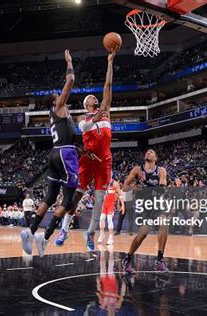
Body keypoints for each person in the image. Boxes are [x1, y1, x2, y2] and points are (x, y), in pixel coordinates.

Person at [20, 50, 82, 257]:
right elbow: (71, 79)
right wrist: (69, 62)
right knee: (68, 199)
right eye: (58, 95)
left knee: (49, 196)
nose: (60, 94)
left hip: (55, 153)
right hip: (66, 154)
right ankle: (45, 236)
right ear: (54, 101)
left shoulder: (53, 115)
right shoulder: (59, 107)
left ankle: (30, 232)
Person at [56, 47, 118, 251]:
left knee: (99, 199)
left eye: (95, 97)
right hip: (88, 160)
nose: (95, 98)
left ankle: (90, 233)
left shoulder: (105, 111)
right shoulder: (83, 118)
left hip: (105, 160)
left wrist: (110, 61)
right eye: (91, 97)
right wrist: (94, 122)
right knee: (76, 196)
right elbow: (81, 132)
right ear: (86, 104)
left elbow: (108, 85)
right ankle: (64, 229)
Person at [121, 149, 169, 273]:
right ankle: (128, 258)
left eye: (151, 152)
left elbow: (162, 189)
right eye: (147, 151)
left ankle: (159, 260)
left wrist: (145, 182)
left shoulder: (161, 170)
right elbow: (125, 187)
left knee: (164, 224)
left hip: (157, 204)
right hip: (144, 206)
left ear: (156, 158)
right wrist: (134, 186)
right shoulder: (137, 170)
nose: (148, 152)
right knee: (143, 234)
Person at [98, 179, 124, 245]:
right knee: (101, 219)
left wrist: (123, 205)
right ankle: (102, 235)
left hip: (111, 204)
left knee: (109, 219)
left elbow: (120, 195)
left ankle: (110, 238)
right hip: (104, 204)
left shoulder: (115, 183)